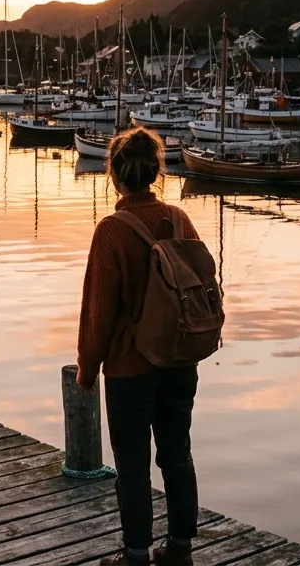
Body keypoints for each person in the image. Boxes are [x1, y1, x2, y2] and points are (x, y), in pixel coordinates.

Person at [77, 127, 202, 566]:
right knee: (177, 454)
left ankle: (135, 557)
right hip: (179, 359)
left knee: (132, 466)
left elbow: (98, 312)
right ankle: (181, 551)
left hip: (131, 369)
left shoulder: (111, 231)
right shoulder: (178, 218)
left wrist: (87, 371)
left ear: (114, 175)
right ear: (155, 170)